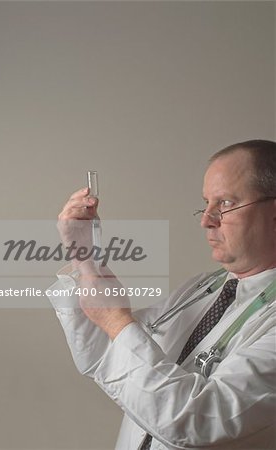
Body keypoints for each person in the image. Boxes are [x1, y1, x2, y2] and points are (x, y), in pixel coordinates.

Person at [48, 139, 276, 449]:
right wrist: (85, 260)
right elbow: (102, 355)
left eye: (225, 203)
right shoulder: (202, 289)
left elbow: (197, 421)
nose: (205, 220)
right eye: (206, 203)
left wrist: (117, 320)